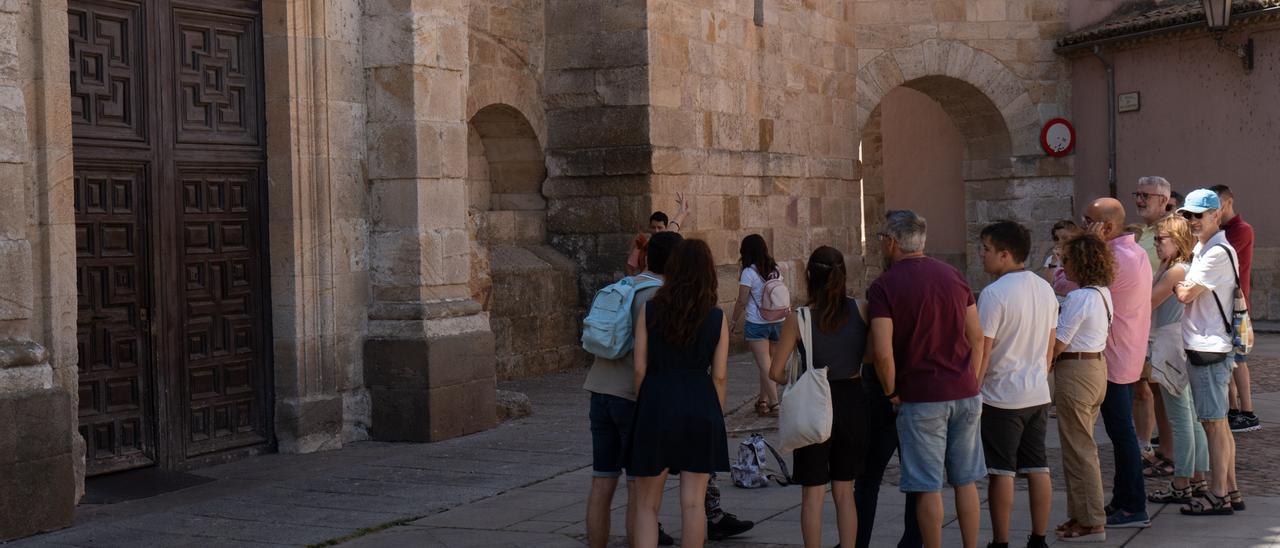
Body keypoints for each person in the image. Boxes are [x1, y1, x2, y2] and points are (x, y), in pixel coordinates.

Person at [868, 210, 984, 548]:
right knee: (966, 481)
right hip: (964, 390)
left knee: (927, 486)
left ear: (891, 241)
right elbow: (976, 336)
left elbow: (883, 352)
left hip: (921, 395)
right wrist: (971, 377)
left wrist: (891, 391)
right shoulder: (953, 276)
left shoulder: (884, 286)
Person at [630, 239, 731, 548]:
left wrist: (645, 403)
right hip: (700, 401)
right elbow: (721, 375)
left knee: (647, 505)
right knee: (693, 503)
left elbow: (639, 368)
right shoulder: (716, 317)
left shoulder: (649, 310)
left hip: (657, 400)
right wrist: (715, 414)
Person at [584, 231, 682, 548]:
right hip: (632, 397)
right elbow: (649, 359)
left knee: (601, 482)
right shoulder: (657, 298)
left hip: (599, 391)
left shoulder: (624, 286)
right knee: (638, 490)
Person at [767, 247, 869, 548]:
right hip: (852, 401)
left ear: (810, 276)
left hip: (814, 402)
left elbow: (775, 372)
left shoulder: (798, 319)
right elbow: (871, 355)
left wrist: (796, 378)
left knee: (812, 493)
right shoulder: (862, 309)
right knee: (845, 491)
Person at [975, 221, 1057, 548]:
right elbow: (1050, 347)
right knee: (1038, 467)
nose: (982, 256)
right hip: (1036, 391)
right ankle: (1038, 538)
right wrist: (1040, 375)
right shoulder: (1045, 289)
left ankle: (1000, 541)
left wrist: (973, 391)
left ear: (1005, 255)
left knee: (1002, 472)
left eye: (986, 250)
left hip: (1000, 396)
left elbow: (982, 350)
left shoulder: (994, 294)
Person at [1082, 198, 1152, 528]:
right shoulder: (1134, 252)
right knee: (1120, 433)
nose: (1083, 226)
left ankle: (1134, 505)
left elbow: (1075, 284)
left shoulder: (1116, 257)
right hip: (1127, 354)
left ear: (1106, 227)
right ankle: (1123, 499)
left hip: (1115, 358)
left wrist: (1087, 248)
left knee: (1122, 435)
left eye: (1088, 221)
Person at [1173, 188, 1243, 515]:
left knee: (1213, 423)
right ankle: (1231, 489)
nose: (1191, 221)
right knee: (1219, 424)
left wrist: (1176, 283)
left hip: (1208, 347)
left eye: (1197, 215)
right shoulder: (1205, 247)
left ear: (1216, 214)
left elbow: (1186, 295)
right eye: (1187, 215)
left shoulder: (1216, 251)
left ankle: (1217, 494)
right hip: (1209, 344)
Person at [1050, 233, 1115, 542]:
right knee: (1078, 447)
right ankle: (1080, 515)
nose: (1063, 266)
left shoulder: (1080, 297)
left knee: (1079, 449)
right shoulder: (1101, 292)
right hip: (1094, 368)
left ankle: (1091, 520)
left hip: (1077, 370)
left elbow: (1060, 342)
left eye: (1067, 260)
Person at [1145, 215, 1212, 506]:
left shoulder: (1176, 270)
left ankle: (1182, 482)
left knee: (1181, 418)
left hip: (1170, 346)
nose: (1157, 244)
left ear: (1178, 240)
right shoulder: (1175, 266)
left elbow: (1147, 302)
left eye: (1161, 239)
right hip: (1174, 343)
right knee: (1189, 417)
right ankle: (1197, 478)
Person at [1131, 177, 1175, 476]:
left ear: (1163, 200)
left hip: (1161, 322)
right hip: (1142, 324)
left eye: (1146, 195)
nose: (1140, 200)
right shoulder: (1143, 232)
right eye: (1138, 194)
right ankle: (1159, 449)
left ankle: (1171, 455)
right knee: (1149, 389)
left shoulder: (1171, 230)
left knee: (1164, 391)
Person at [1209, 185, 1260, 433]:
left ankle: (1248, 412)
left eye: (1216, 204)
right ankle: (1232, 409)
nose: (1212, 211)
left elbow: (1220, 260)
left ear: (1228, 202)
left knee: (1238, 359)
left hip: (1237, 305)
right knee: (1227, 358)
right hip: (1221, 304)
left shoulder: (1241, 230)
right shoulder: (1219, 230)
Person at [731, 234, 786, 417]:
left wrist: (733, 321)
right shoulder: (775, 269)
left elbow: (741, 300)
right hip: (778, 320)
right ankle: (762, 401)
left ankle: (775, 404)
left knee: (764, 365)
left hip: (757, 322)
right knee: (770, 363)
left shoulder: (748, 272)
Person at [627, 194, 690, 275]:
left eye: (659, 228)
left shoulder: (670, 241)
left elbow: (674, 226)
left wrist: (682, 213)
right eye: (653, 227)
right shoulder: (643, 244)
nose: (656, 231)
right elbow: (630, 267)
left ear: (666, 227)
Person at [1044, 220, 1082, 299]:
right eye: (1056, 238)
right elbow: (1047, 284)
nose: (1060, 242)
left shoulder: (1082, 258)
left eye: (1064, 238)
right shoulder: (1051, 260)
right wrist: (1054, 261)